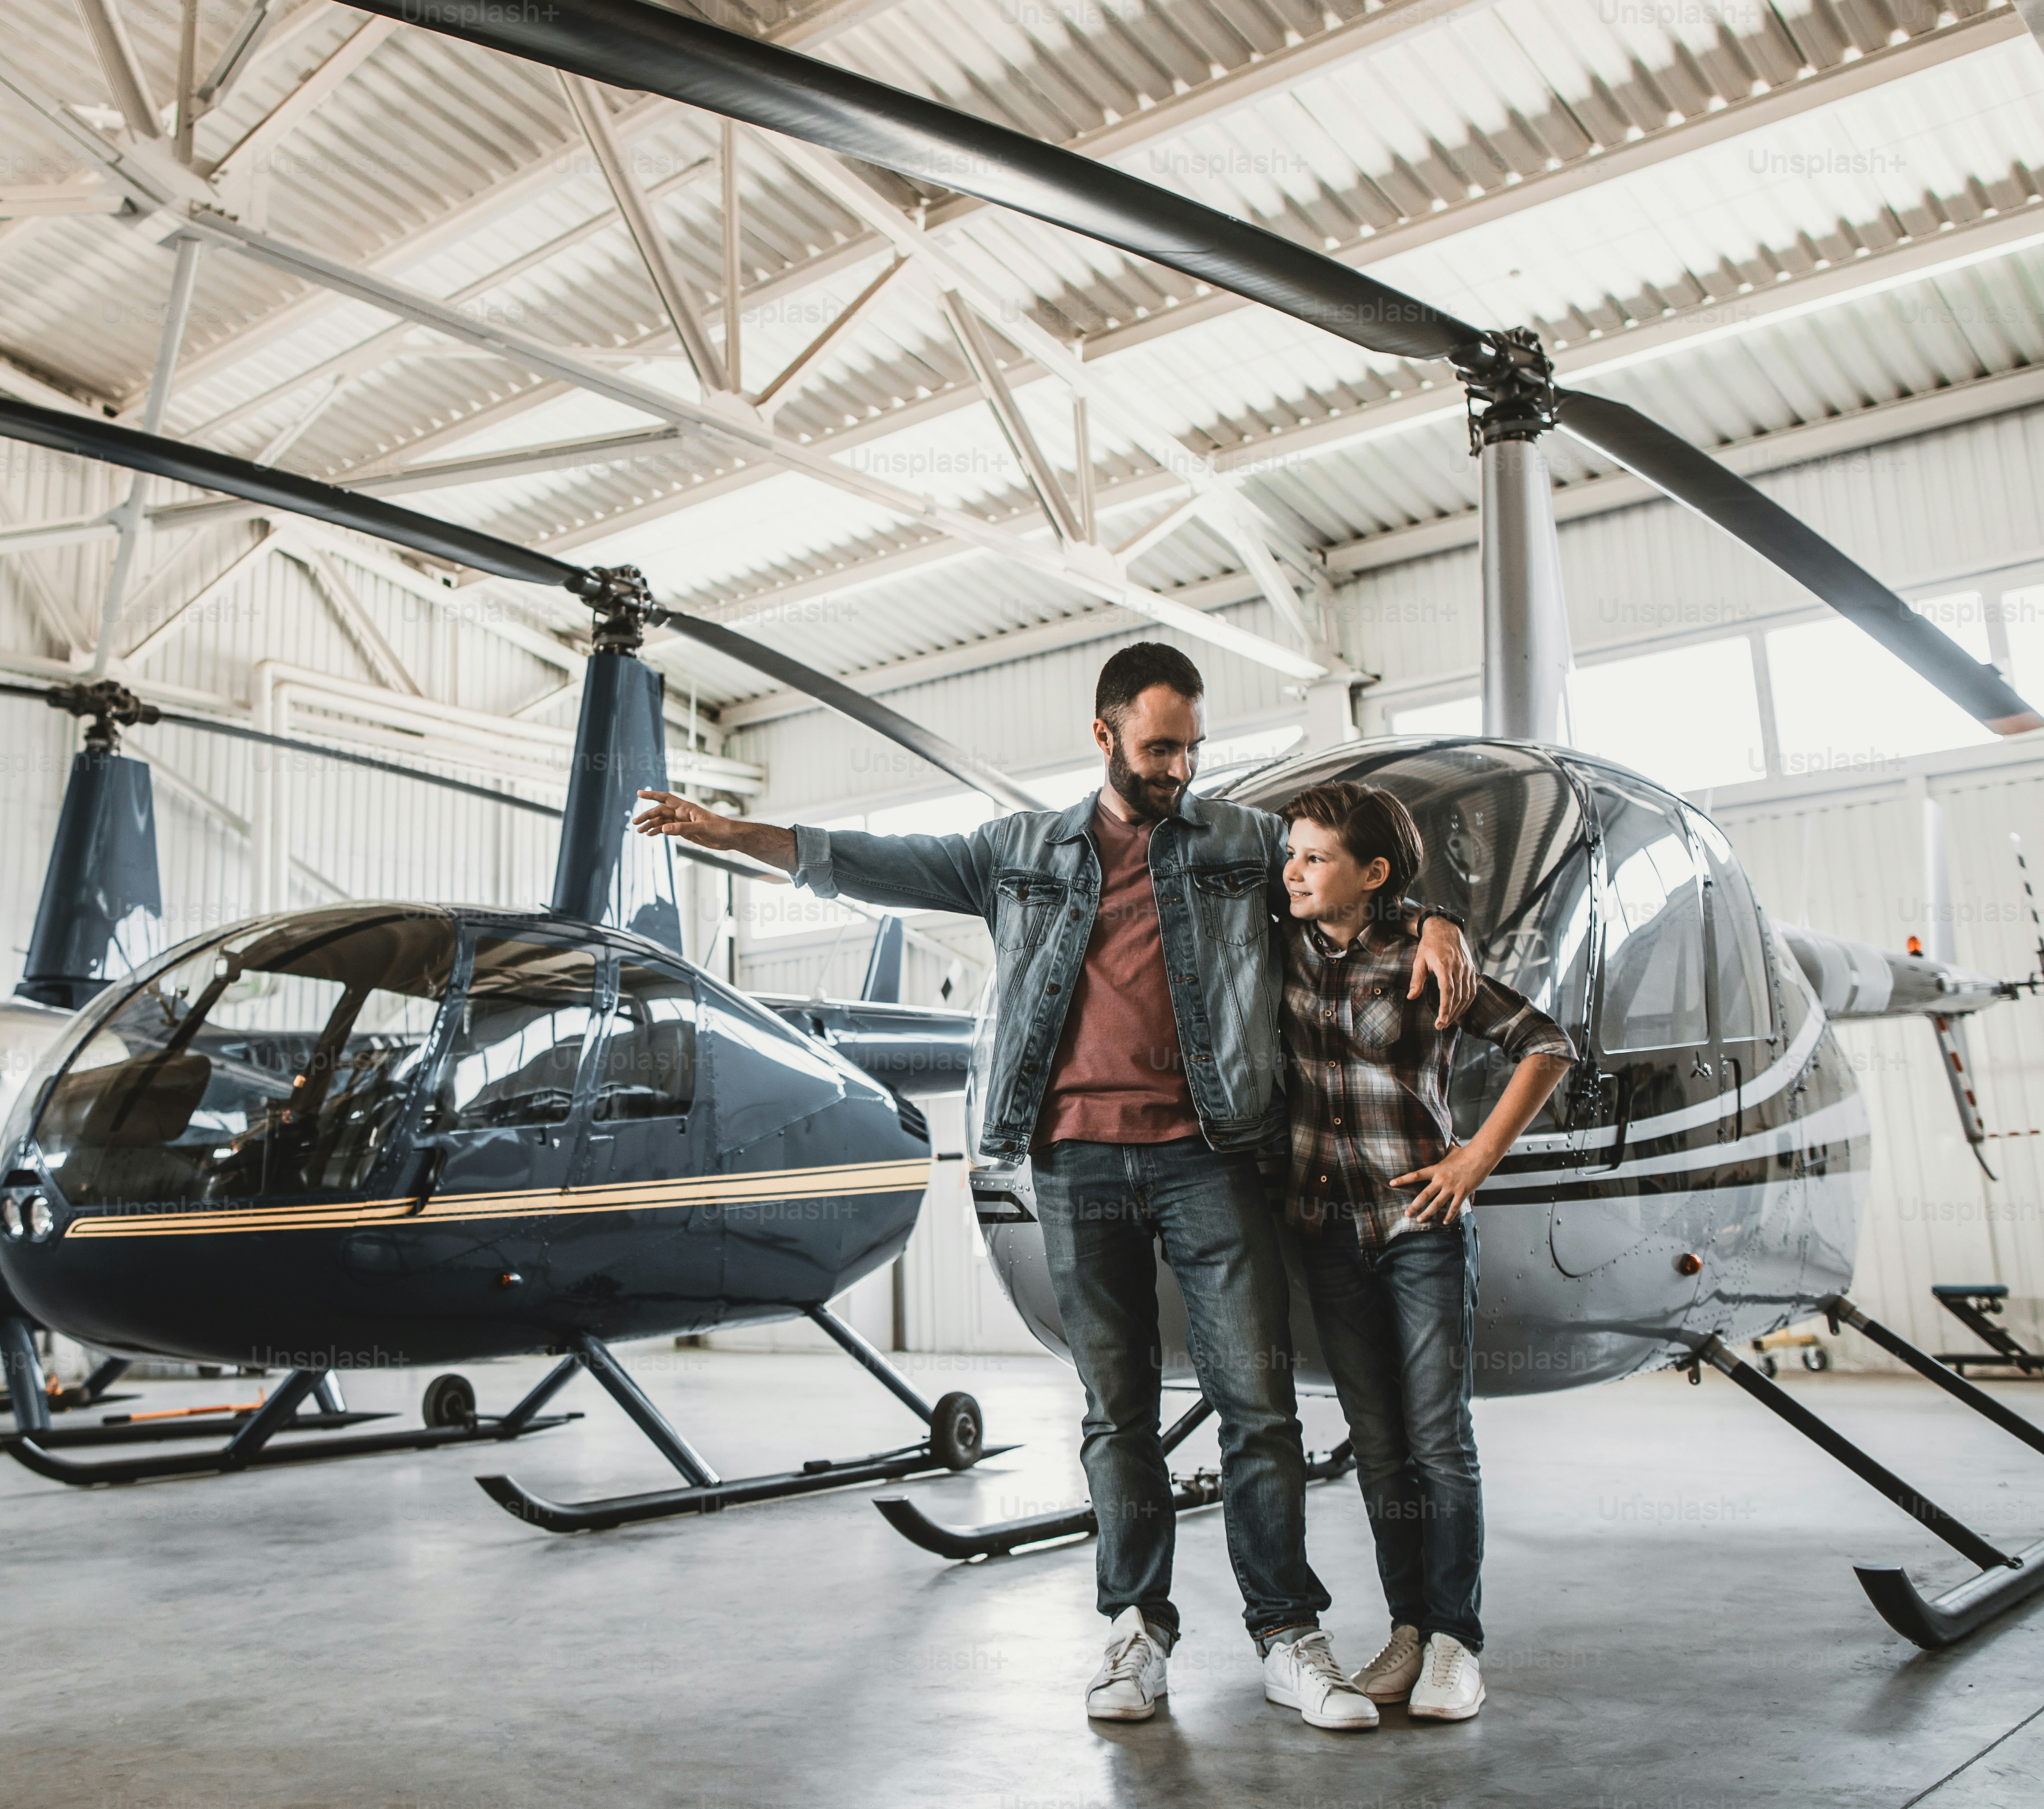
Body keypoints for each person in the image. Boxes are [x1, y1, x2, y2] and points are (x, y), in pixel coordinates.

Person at [629, 643, 1477, 1730]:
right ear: (1105, 735)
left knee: (1257, 1409)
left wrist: (1438, 914)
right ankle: (1137, 1632)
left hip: (1212, 1158)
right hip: (1073, 1165)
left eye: (1192, 746)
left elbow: (1358, 860)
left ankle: (1285, 1633)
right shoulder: (1018, 851)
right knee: (1115, 1413)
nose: (1180, 768)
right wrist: (729, 833)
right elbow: (870, 857)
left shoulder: (1241, 841)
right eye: (1161, 747)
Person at [1272, 780, 1574, 1725]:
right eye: (1292, 853)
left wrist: (1476, 1156)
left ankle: (1456, 1640)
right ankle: (1407, 1627)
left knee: (1440, 1437)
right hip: (1327, 1232)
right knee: (1378, 1444)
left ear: (1373, 873)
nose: (1293, 868)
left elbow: (1547, 1042)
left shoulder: (1421, 954)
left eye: (1315, 857)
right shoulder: (1277, 941)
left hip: (1420, 1229)